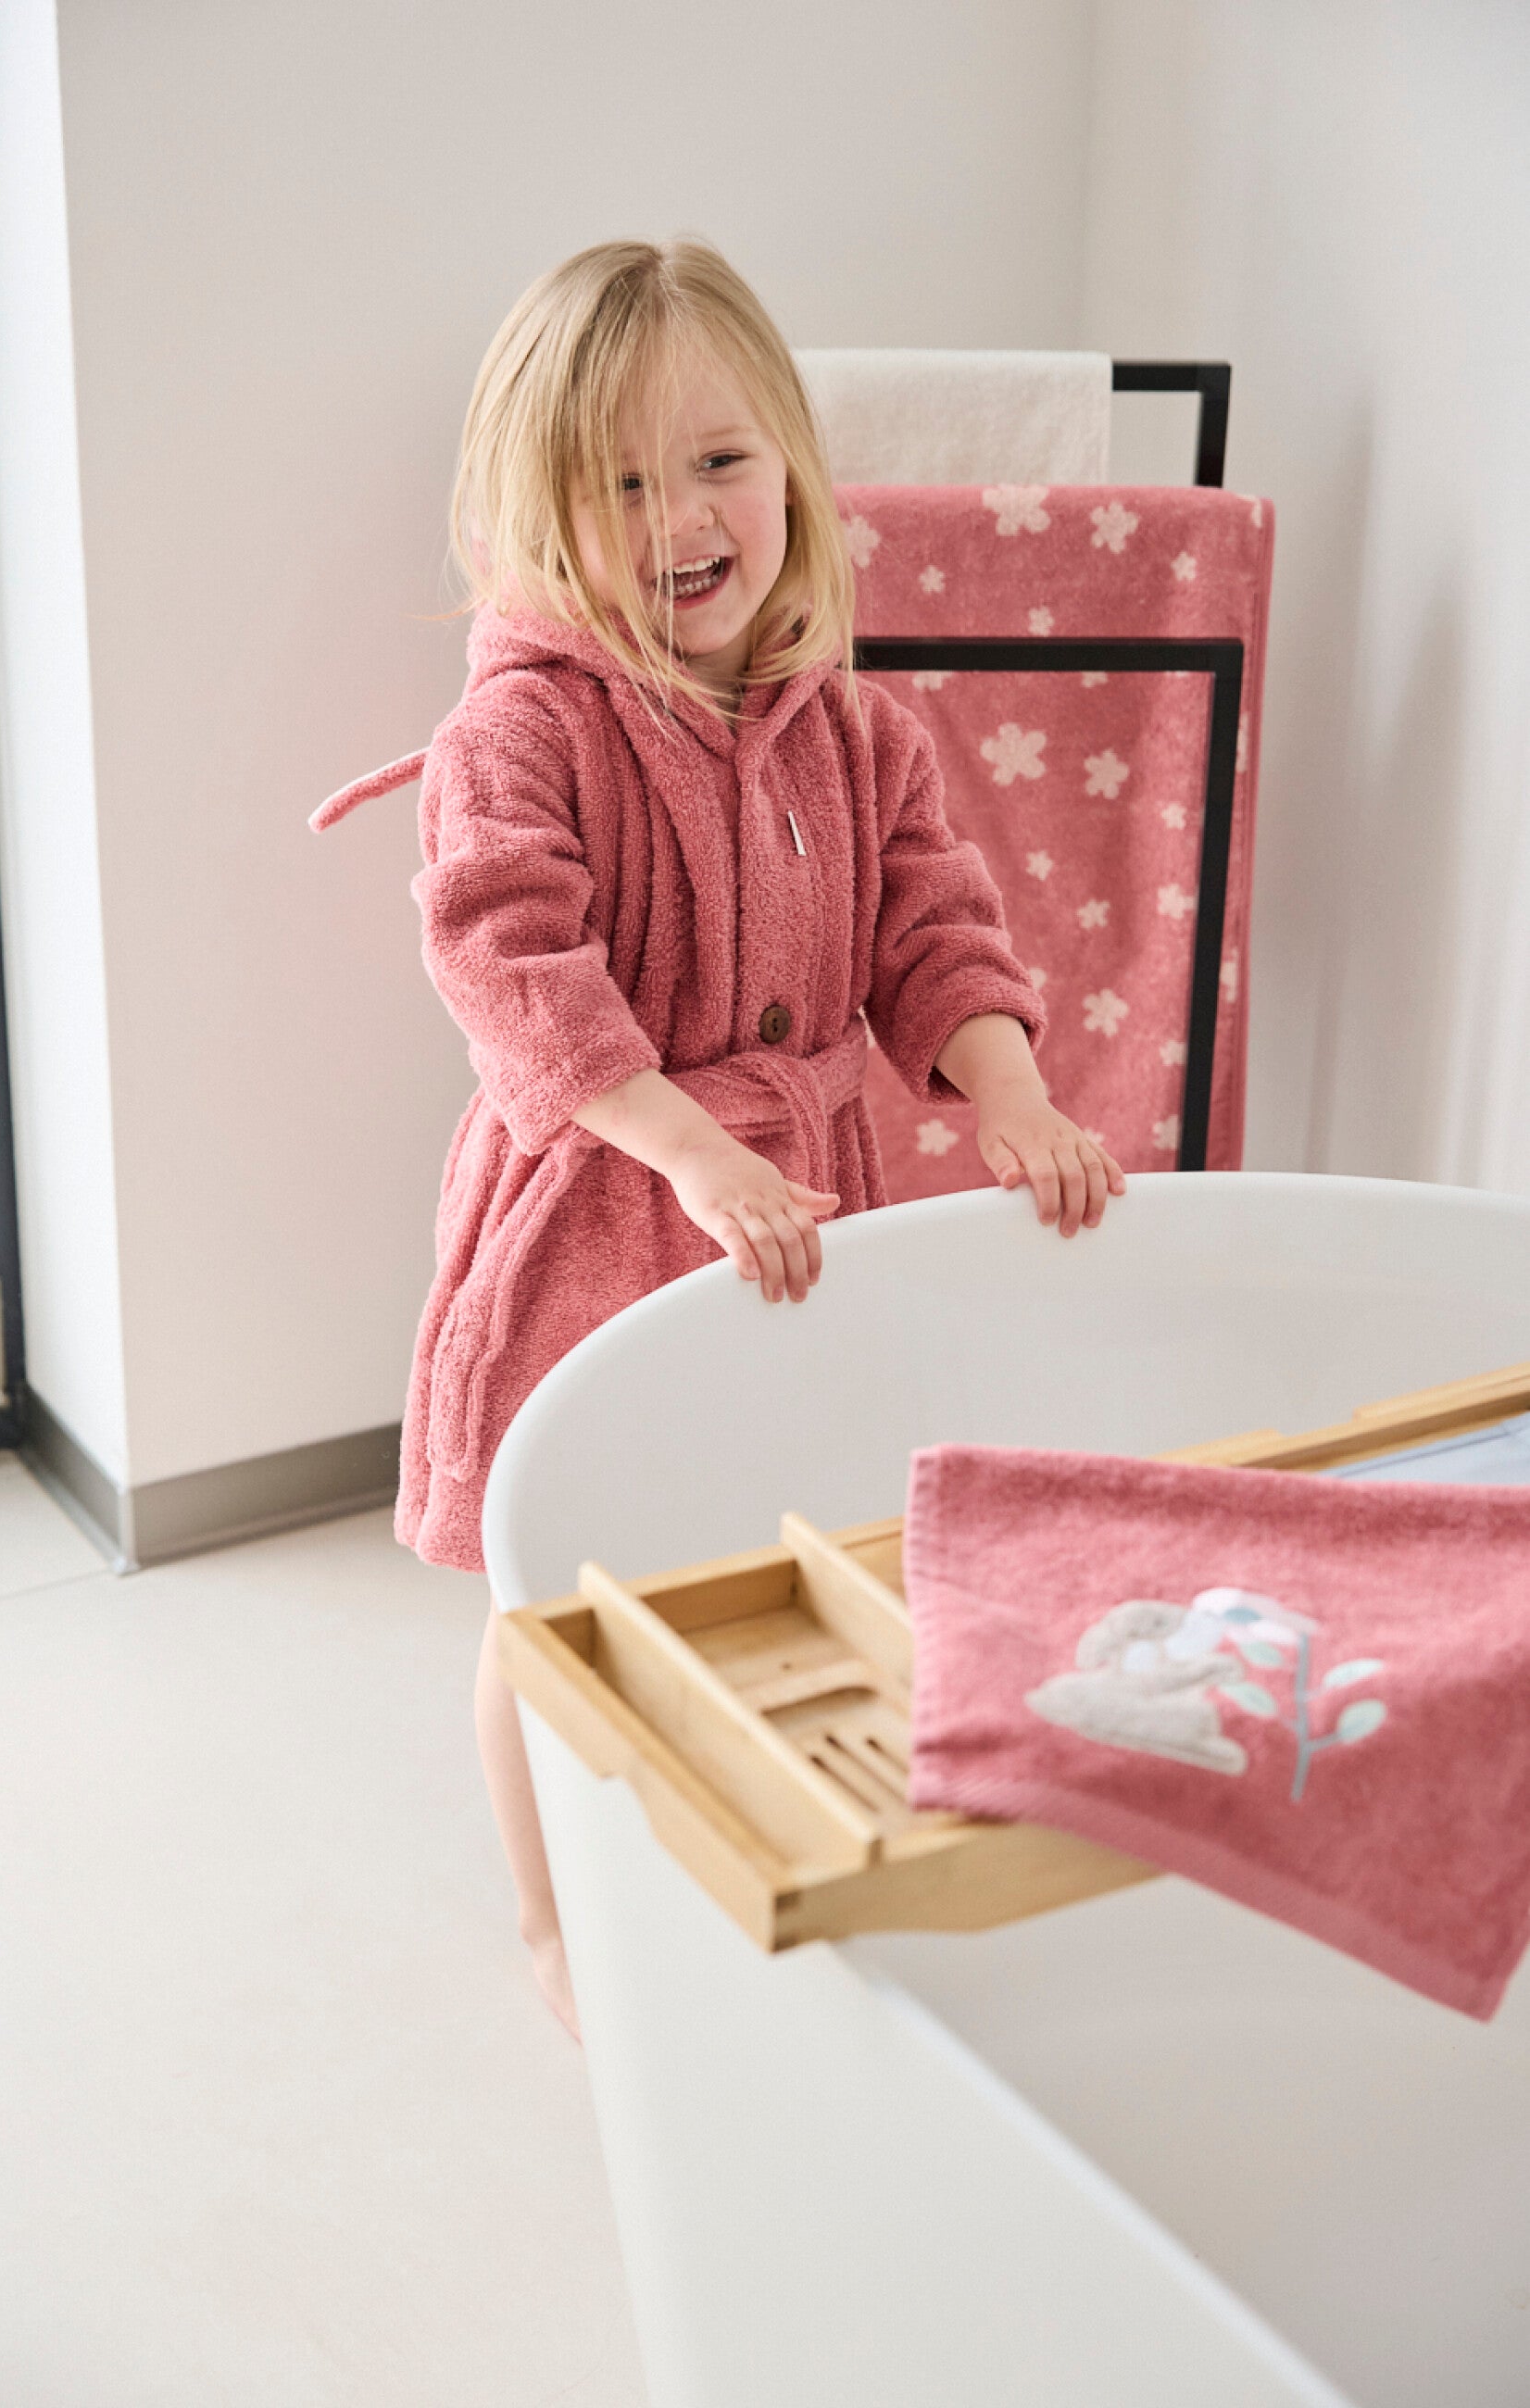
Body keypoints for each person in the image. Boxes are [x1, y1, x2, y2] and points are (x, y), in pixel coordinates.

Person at [315, 237, 1126, 2037]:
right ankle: (553, 1918)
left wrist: (1007, 1092)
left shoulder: (859, 732)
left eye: (717, 462)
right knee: (566, 1595)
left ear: (791, 475)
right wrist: (685, 1149)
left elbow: (935, 929)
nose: (679, 517)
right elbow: (512, 964)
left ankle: (760, 1835)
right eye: (616, 484)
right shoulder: (520, 732)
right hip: (604, 1218)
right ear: (533, 515)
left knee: (786, 1547)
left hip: (807, 1215)